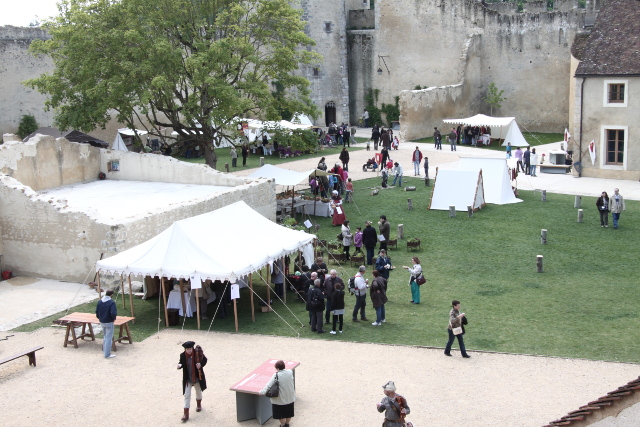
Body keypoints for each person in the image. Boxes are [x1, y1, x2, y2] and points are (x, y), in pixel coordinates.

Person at [177, 341, 208, 421]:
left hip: (197, 377)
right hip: (188, 379)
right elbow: (181, 362)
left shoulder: (197, 354)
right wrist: (179, 365)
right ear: (185, 349)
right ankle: (186, 414)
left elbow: (205, 360)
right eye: (187, 349)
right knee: (187, 395)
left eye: (190, 348)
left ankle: (198, 404)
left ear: (192, 348)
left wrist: (200, 364)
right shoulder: (182, 355)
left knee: (198, 392)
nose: (189, 350)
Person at [259, 360, 296, 427]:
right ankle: (287, 424)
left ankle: (282, 425)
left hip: (280, 399)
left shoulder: (276, 375)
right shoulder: (290, 372)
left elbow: (269, 385)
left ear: (278, 368)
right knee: (289, 412)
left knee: (280, 414)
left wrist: (262, 392)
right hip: (289, 397)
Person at [96, 289, 117, 358]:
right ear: (111, 295)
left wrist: (99, 318)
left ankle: (105, 350)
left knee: (105, 336)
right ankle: (107, 354)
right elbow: (113, 313)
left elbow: (97, 311)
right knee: (108, 338)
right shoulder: (111, 303)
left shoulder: (100, 301)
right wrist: (113, 319)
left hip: (102, 321)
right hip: (109, 321)